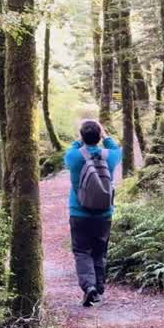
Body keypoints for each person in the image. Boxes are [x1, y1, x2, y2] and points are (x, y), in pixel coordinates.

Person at [65, 119, 123, 306]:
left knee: (82, 251)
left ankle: (89, 287)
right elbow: (117, 149)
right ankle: (98, 289)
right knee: (99, 252)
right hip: (104, 213)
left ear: (82, 136)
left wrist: (78, 139)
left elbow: (70, 150)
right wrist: (106, 136)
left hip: (79, 212)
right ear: (99, 136)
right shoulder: (110, 156)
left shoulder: (74, 156)